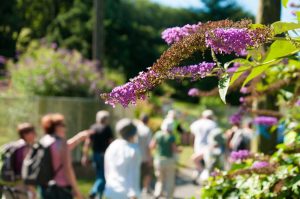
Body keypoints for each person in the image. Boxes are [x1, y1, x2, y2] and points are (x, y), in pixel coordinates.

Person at [39, 113, 86, 199]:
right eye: (63, 125)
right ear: (56, 127)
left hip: (45, 186)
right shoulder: (61, 143)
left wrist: (79, 137)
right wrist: (77, 191)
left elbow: (66, 147)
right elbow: (68, 169)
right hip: (61, 188)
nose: (65, 128)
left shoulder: (44, 141)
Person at [104, 118, 141, 199]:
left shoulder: (112, 146)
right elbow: (134, 174)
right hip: (126, 194)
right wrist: (134, 195)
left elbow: (107, 170)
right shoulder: (133, 150)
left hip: (111, 191)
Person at [81, 110, 114, 199]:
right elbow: (111, 143)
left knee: (99, 175)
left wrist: (85, 156)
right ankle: (94, 191)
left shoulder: (93, 128)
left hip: (95, 155)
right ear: (106, 119)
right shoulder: (107, 128)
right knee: (103, 177)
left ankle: (99, 196)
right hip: (105, 156)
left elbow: (87, 143)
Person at [0, 123, 37, 199]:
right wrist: (32, 190)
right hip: (20, 184)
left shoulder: (13, 146)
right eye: (33, 132)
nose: (35, 135)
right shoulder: (26, 148)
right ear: (25, 134)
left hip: (7, 183)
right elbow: (26, 171)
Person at [150, 119, 180, 199]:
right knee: (170, 179)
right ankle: (169, 196)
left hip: (158, 160)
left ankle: (157, 193)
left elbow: (152, 146)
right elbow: (174, 149)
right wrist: (179, 150)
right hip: (169, 160)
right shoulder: (171, 137)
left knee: (160, 179)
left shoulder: (158, 134)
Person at [190, 109, 217, 183]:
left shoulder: (196, 123)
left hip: (198, 146)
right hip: (208, 148)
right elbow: (215, 137)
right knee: (206, 164)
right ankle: (204, 176)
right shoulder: (212, 124)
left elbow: (192, 136)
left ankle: (196, 177)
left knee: (198, 163)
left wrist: (192, 145)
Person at [135, 114, 152, 194]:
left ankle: (137, 187)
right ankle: (145, 188)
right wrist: (150, 158)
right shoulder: (147, 130)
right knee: (147, 173)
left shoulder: (136, 128)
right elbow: (149, 146)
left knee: (137, 172)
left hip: (135, 154)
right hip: (144, 155)